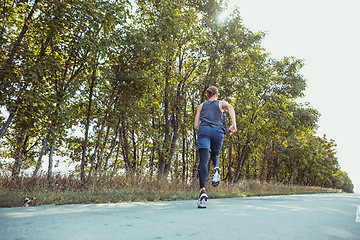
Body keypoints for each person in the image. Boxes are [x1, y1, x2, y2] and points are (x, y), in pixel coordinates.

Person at [194, 86, 237, 208]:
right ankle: (216, 168)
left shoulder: (201, 106)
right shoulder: (221, 103)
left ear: (207, 96)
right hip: (217, 132)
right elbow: (230, 107)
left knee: (203, 161)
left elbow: (196, 126)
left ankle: (202, 191)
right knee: (215, 155)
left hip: (204, 132)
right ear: (216, 95)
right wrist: (233, 124)